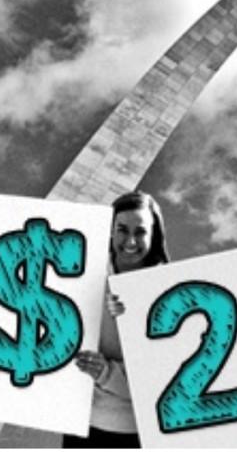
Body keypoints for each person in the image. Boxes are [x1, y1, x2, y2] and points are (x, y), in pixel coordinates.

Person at [65, 191, 169, 448]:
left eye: (141, 232)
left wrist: (105, 373)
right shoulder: (80, 276)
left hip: (131, 431)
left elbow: (161, 378)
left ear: (154, 235)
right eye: (122, 230)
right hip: (80, 422)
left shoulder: (167, 292)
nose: (130, 241)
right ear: (109, 230)